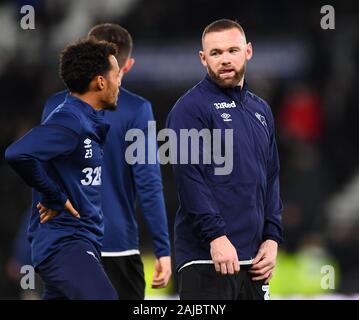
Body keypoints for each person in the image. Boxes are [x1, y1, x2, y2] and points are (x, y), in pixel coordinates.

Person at [41, 23, 171, 300]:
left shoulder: (54, 106)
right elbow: (148, 183)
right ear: (128, 65)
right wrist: (162, 248)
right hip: (117, 247)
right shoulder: (137, 109)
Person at [166, 19, 283, 300]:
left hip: (254, 261)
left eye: (232, 50)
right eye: (216, 53)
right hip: (207, 259)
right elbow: (189, 179)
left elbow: (271, 176)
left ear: (248, 51)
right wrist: (215, 237)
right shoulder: (189, 108)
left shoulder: (261, 109)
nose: (225, 59)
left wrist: (272, 237)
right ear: (203, 58)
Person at [5, 39, 121, 300]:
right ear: (100, 81)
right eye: (116, 74)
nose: (119, 82)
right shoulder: (70, 119)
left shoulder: (87, 119)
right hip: (64, 243)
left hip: (78, 241)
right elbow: (18, 153)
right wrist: (54, 195)